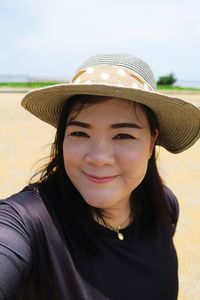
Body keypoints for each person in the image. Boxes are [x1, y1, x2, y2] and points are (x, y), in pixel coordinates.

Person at [0, 53, 200, 300]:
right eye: (80, 133)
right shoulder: (27, 222)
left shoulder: (164, 207)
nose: (98, 157)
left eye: (123, 135)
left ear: (152, 143)